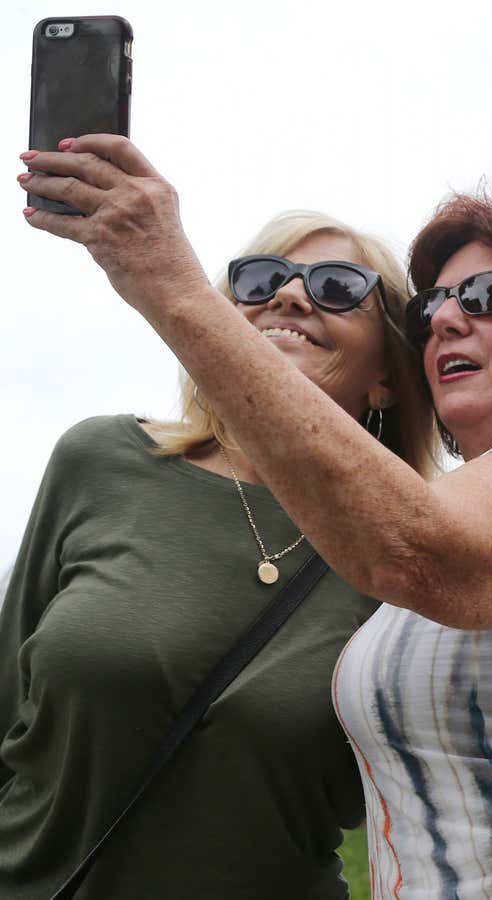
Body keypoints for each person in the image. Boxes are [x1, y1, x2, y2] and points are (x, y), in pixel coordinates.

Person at [20, 136, 492, 898]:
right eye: (433, 304)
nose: (446, 318)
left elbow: (424, 553)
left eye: (489, 295)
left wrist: (166, 281)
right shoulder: (112, 461)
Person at [0, 209, 437, 897]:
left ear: (386, 377)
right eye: (260, 279)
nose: (289, 296)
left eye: (338, 286)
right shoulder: (102, 460)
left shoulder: (410, 552)